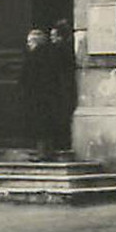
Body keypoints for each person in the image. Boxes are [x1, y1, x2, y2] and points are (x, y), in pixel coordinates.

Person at [20, 27, 56, 160]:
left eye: (30, 42)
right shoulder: (49, 55)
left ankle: (42, 153)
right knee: (45, 123)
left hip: (37, 96)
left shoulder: (34, 56)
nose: (28, 44)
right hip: (47, 95)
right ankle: (47, 151)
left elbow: (27, 77)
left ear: (36, 42)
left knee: (40, 124)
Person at [49, 19, 76, 154]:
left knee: (61, 113)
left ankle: (62, 143)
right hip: (64, 85)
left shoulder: (58, 50)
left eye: (53, 36)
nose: (52, 39)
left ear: (60, 37)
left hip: (61, 86)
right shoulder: (68, 48)